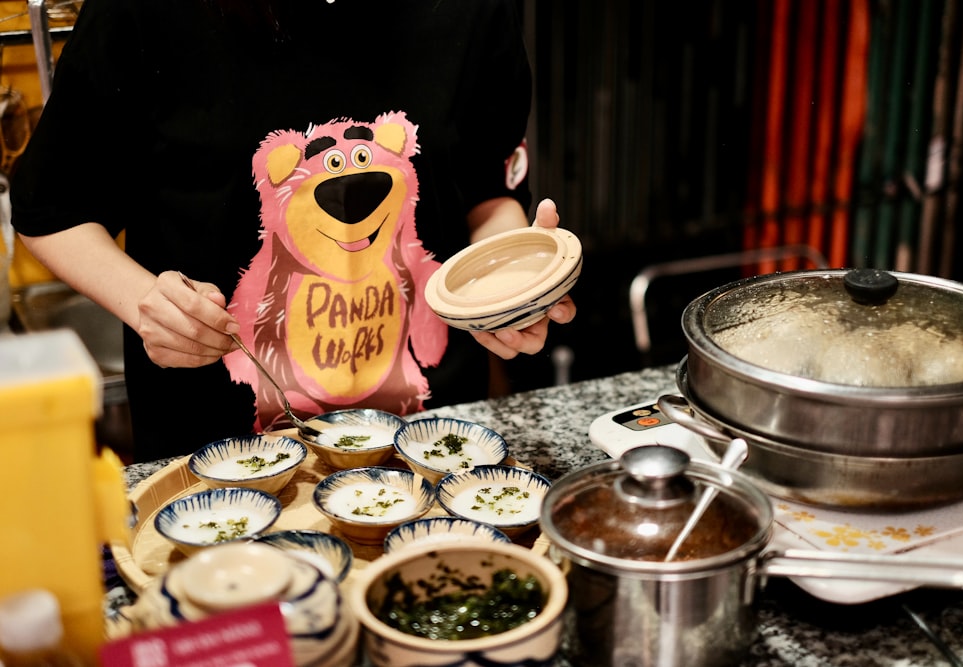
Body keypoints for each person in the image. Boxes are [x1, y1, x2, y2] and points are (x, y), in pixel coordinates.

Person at [10, 0, 576, 463]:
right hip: (224, 464)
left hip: (433, 444)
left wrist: (509, 282)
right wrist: (145, 303)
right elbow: (50, 209)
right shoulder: (144, 13)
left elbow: (482, 190)